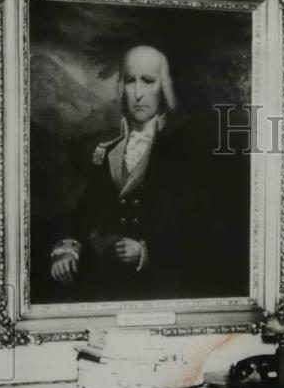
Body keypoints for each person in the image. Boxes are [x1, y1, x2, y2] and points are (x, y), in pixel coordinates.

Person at [49, 45, 208, 301]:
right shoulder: (108, 150)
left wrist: (147, 251)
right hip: (106, 281)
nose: (137, 93)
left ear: (164, 86)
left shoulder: (186, 152)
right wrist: (68, 249)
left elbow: (202, 229)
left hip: (163, 286)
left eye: (148, 81)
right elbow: (84, 214)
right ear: (120, 87)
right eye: (129, 81)